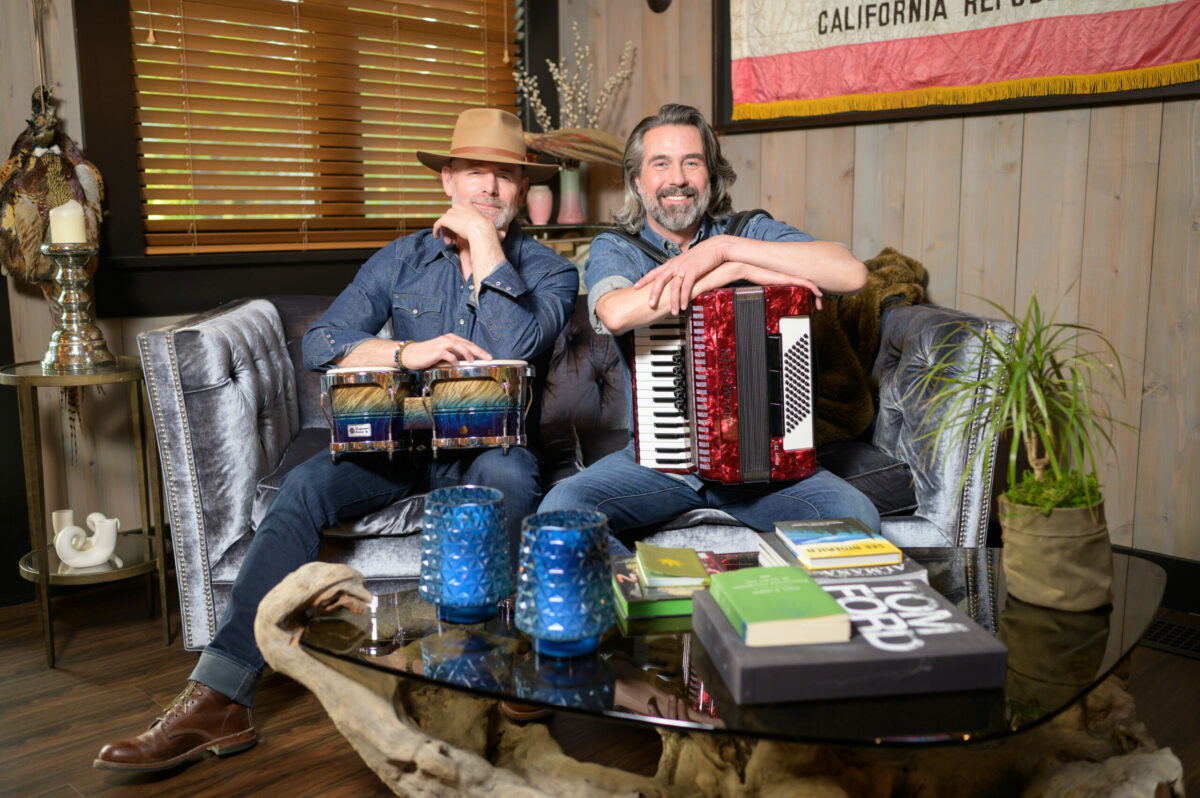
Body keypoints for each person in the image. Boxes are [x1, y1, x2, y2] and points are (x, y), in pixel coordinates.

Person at [94, 108, 579, 773]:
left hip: (491, 448)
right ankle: (219, 697)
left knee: (511, 481)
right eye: (474, 172)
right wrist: (408, 350)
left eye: (505, 176)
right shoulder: (400, 258)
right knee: (300, 492)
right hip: (397, 446)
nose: (489, 188)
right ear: (447, 181)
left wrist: (482, 243)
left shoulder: (552, 272)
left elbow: (514, 344)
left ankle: (484, 675)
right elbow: (321, 343)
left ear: (523, 190)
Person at [539, 103, 880, 547]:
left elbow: (850, 274)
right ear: (637, 181)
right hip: (660, 465)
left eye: (691, 163)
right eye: (660, 163)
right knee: (559, 512)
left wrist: (723, 248)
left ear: (711, 176)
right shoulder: (619, 247)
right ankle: (647, 607)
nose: (677, 178)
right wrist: (722, 273)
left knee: (859, 518)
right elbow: (617, 313)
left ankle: (773, 607)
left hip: (768, 466)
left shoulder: (746, 232)